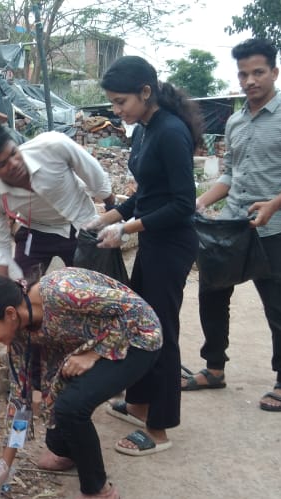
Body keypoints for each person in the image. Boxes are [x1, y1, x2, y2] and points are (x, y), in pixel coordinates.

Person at [0, 268, 161, 499]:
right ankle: (71, 452)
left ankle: (99, 491)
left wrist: (94, 354)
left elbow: (136, 309)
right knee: (56, 439)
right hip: (88, 348)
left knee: (70, 407)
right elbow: (21, 401)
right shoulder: (20, 336)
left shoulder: (60, 291)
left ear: (10, 313)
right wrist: (3, 464)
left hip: (137, 339)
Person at [182, 38, 281, 413]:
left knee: (276, 304)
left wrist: (275, 204)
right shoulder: (236, 121)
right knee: (211, 294)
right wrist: (201, 201)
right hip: (231, 226)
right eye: (243, 74)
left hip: (271, 230)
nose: (250, 80)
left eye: (258, 72)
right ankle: (214, 369)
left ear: (274, 72)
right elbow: (230, 175)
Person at [86, 55, 202, 455]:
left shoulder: (170, 132)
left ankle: (160, 428)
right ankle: (138, 402)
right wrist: (105, 219)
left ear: (145, 92)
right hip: (154, 239)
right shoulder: (144, 130)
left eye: (121, 103)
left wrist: (127, 229)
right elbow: (145, 195)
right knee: (141, 324)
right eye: (113, 104)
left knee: (162, 332)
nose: (117, 111)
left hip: (172, 244)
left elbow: (182, 205)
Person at [0, 121, 112, 283]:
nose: (14, 164)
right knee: (22, 289)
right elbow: (1, 244)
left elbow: (99, 183)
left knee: (95, 288)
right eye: (2, 164)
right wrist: (0, 288)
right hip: (36, 230)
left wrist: (115, 220)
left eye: (13, 153)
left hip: (82, 223)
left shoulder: (53, 146)